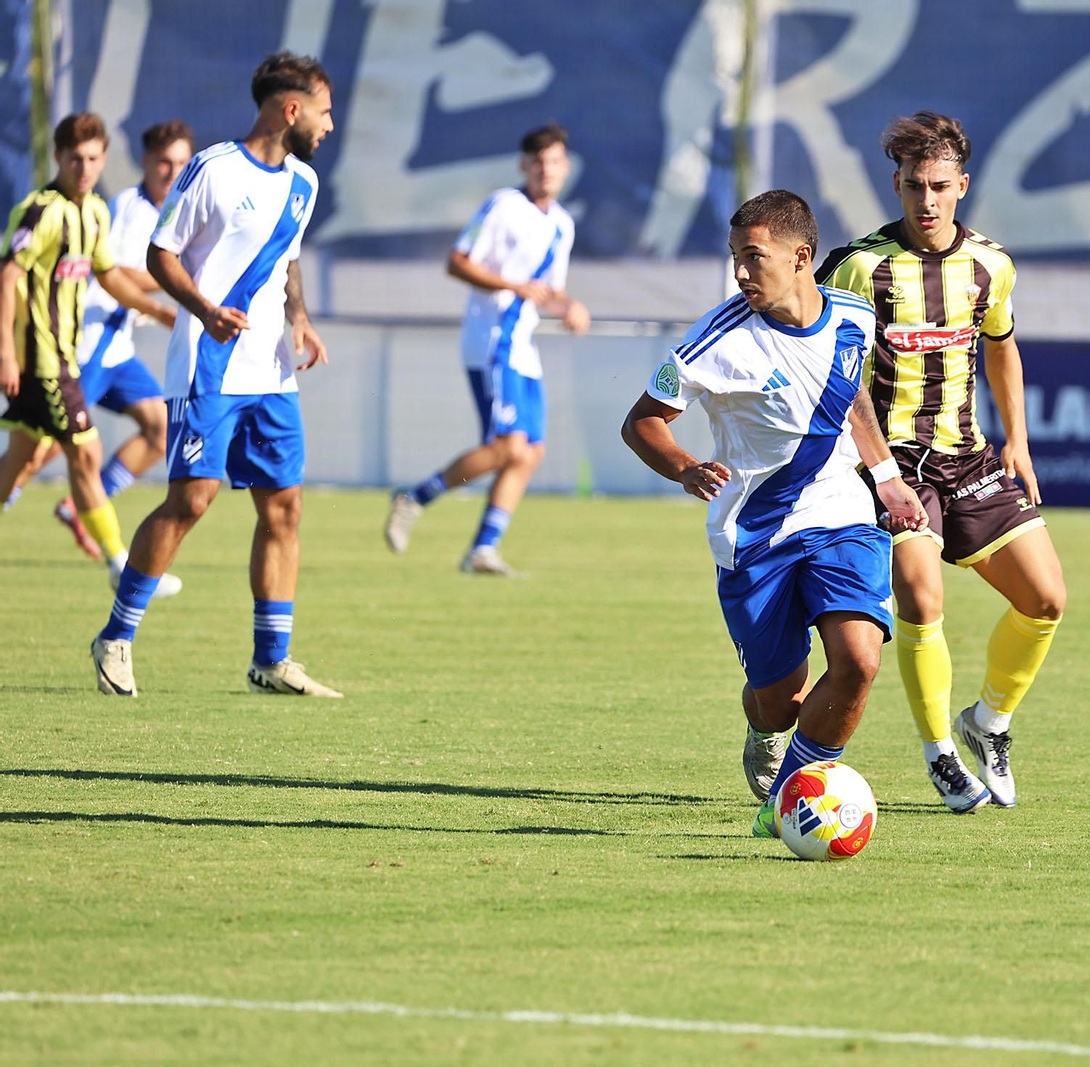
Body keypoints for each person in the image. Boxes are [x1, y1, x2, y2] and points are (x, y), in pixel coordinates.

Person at [620, 190, 927, 836]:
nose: (738, 272)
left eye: (751, 257)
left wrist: (888, 478)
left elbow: (852, 395)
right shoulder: (716, 340)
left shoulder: (852, 316)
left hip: (842, 515)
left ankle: (788, 800)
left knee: (858, 660)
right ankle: (765, 730)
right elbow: (642, 421)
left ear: (800, 258)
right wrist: (684, 466)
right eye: (734, 257)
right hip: (754, 537)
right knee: (781, 699)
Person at [817, 111, 1066, 814]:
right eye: (912, 186)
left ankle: (987, 724)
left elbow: (1002, 344)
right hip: (892, 464)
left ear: (962, 186)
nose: (925, 201)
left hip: (968, 455)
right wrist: (865, 465)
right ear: (896, 185)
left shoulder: (991, 265)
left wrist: (1016, 439)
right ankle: (941, 755)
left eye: (938, 186)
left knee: (1046, 598)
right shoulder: (860, 266)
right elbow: (836, 372)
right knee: (923, 598)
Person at [89, 51, 340, 698]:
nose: (330, 125)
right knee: (191, 499)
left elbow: (287, 262)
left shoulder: (305, 184)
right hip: (209, 363)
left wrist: (301, 318)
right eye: (325, 111)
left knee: (284, 507)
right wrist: (205, 309)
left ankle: (271, 659)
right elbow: (159, 253)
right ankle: (116, 635)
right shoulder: (215, 169)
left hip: (273, 373)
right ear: (292, 109)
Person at [384, 124, 591, 576]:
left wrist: (569, 305)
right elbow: (458, 262)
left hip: (523, 346)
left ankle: (483, 549)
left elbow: (547, 291)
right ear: (524, 166)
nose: (546, 170)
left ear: (565, 167)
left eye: (554, 161)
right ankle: (415, 496)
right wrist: (511, 285)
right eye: (537, 162)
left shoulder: (561, 224)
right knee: (505, 446)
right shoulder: (504, 206)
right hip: (492, 340)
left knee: (529, 452)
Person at [0, 112, 180, 597]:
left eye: (93, 158)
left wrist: (159, 311)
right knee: (86, 456)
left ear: (104, 159)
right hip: (45, 361)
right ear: (58, 157)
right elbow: (8, 274)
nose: (84, 167)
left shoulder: (94, 212)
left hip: (63, 359)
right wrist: (4, 353)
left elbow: (110, 276)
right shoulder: (41, 210)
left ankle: (120, 564)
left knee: (18, 461)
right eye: (75, 158)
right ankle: (121, 565)